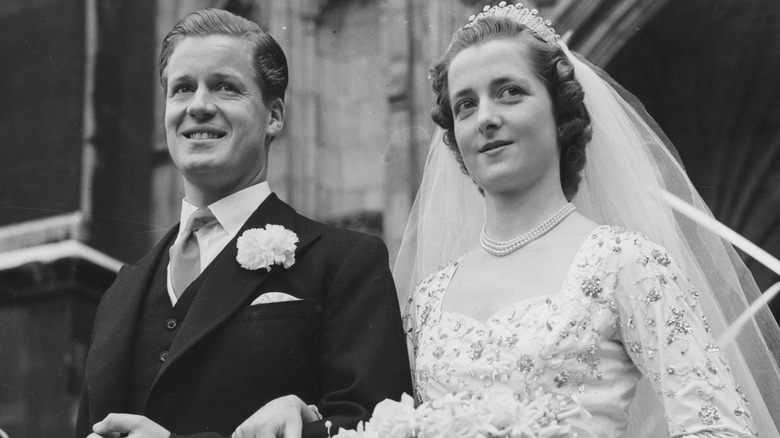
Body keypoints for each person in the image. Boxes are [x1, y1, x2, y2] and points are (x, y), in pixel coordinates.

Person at [394, 3, 780, 437]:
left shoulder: (625, 262)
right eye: (465, 104)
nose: (485, 118)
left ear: (560, 112)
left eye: (509, 92)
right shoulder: (428, 300)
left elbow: (719, 425)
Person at [76, 8, 412, 438]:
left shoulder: (346, 262)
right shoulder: (119, 293)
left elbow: (379, 426)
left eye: (225, 87)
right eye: (182, 89)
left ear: (273, 116)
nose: (198, 105)